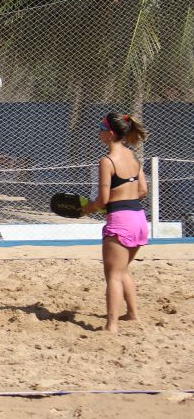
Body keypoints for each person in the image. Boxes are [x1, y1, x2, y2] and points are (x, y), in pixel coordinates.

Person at [81, 113, 148, 333]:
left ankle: (111, 325)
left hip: (120, 221)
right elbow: (142, 191)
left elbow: (102, 200)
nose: (98, 131)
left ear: (110, 133)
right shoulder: (134, 157)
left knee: (113, 276)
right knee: (122, 270)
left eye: (100, 127)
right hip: (138, 219)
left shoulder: (107, 161)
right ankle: (133, 314)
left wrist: (87, 209)